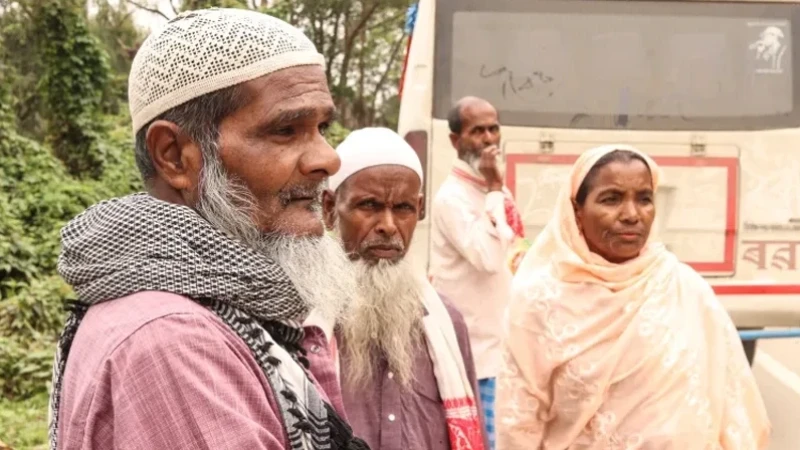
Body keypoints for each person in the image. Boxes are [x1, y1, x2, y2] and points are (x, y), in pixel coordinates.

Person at [49, 8, 369, 450]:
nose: (328, 158)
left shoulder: (223, 307)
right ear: (175, 155)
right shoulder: (173, 341)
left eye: (322, 127)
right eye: (286, 130)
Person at [496, 145, 770, 449]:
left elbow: (733, 403)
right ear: (577, 210)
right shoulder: (538, 299)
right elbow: (518, 419)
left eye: (644, 199)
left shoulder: (684, 287)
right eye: (611, 199)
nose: (631, 215)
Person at [322, 127, 489, 450]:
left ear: (420, 209)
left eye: (403, 208)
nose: (388, 225)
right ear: (329, 208)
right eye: (369, 206)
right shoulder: (302, 323)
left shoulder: (445, 322)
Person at [429, 96, 526, 449]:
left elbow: (513, 249)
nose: (488, 139)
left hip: (505, 350)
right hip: (478, 358)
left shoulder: (491, 189)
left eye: (493, 129)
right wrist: (496, 189)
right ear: (456, 141)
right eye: (477, 131)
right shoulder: (451, 199)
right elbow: (486, 257)